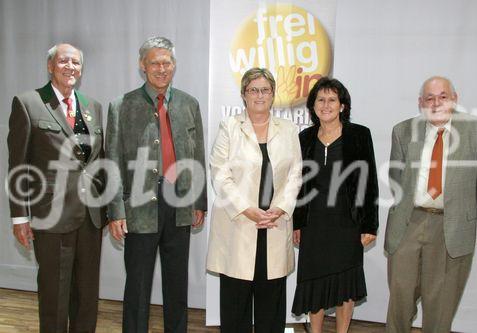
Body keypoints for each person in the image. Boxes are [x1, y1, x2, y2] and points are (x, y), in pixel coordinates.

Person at [106, 36, 207, 333]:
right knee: (137, 285)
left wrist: (199, 201)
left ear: (174, 65)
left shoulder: (189, 104)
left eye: (167, 62)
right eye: (154, 63)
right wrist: (115, 210)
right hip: (138, 205)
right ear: (142, 65)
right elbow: (111, 160)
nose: (161, 69)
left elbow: (197, 155)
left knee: (177, 283)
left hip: (180, 203)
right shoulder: (121, 106)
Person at [7, 43, 106, 333]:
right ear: (50, 66)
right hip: (50, 216)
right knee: (54, 295)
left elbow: (99, 161)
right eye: (63, 61)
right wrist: (20, 217)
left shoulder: (93, 107)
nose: (70, 67)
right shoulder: (28, 103)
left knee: (87, 296)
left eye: (76, 62)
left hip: (91, 217)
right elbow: (17, 166)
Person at [385, 76, 477, 332]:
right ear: (420, 102)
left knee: (441, 304)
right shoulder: (403, 130)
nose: (436, 103)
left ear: (455, 99)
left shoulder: (476, 130)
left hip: (452, 228)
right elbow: (396, 177)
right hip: (408, 224)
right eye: (429, 98)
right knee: (400, 299)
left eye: (443, 96)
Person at [206, 67, 302, 332]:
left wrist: (280, 209)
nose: (259, 95)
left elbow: (296, 174)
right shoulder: (229, 127)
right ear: (243, 95)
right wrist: (247, 209)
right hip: (238, 225)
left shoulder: (289, 129)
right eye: (253, 90)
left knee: (271, 308)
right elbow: (220, 173)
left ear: (273, 94)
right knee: (235, 306)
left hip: (274, 224)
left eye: (265, 90)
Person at [292, 77, 379, 333]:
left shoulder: (359, 135)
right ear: (313, 105)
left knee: (346, 285)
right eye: (321, 99)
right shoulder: (304, 138)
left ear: (342, 106)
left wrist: (369, 225)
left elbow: (369, 181)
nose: (326, 105)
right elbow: (298, 186)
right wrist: (297, 223)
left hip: (348, 223)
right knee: (314, 283)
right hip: (314, 224)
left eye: (332, 100)